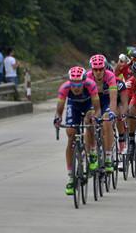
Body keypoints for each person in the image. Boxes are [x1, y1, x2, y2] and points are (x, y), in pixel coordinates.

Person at [53, 66, 102, 195]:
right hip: (73, 107)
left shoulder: (91, 85)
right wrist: (57, 119)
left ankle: (92, 152)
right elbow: (59, 110)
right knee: (70, 134)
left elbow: (97, 109)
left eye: (79, 84)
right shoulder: (64, 88)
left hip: (88, 106)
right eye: (73, 84)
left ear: (84, 82)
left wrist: (95, 118)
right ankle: (70, 177)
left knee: (89, 120)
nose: (76, 87)